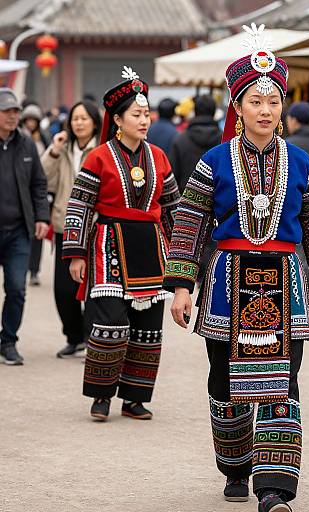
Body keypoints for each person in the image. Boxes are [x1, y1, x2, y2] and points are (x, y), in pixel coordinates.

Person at [165, 24, 309, 512]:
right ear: (237, 107)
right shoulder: (213, 161)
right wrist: (182, 287)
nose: (266, 111)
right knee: (225, 385)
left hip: (285, 285)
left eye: (273, 101)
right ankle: (235, 465)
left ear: (282, 107)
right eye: (255, 101)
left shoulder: (304, 162)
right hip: (228, 284)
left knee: (282, 384)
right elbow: (189, 224)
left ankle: (275, 488)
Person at [62, 67, 180, 421]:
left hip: (149, 247)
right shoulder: (97, 158)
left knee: (148, 328)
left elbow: (173, 207)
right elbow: (79, 204)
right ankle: (101, 395)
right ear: (117, 119)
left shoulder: (158, 156)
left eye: (147, 114)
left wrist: (183, 257)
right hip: (107, 245)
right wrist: (74, 253)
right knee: (110, 324)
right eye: (136, 114)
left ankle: (134, 397)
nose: (144, 120)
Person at [41, 100, 102, 358]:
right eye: (75, 118)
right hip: (64, 226)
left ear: (94, 122)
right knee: (63, 290)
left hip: (95, 227)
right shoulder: (63, 149)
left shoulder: (102, 149)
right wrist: (53, 151)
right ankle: (73, 336)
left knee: (92, 288)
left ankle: (91, 338)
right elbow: (44, 179)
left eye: (84, 118)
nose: (78, 123)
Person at [0, 88, 50, 365]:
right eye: (7, 111)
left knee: (17, 288)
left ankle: (8, 341)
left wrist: (41, 217)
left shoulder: (27, 145)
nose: (12, 116)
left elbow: (38, 184)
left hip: (18, 231)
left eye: (15, 111)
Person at [20, 103, 52, 287]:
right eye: (28, 120)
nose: (31, 124)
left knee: (38, 231)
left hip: (39, 189)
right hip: (21, 189)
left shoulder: (44, 138)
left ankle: (34, 270)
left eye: (34, 120)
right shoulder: (17, 138)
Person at [169, 94, 222, 194]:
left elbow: (173, 176)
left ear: (195, 111)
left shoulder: (180, 139)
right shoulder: (224, 140)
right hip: (217, 201)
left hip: (185, 200)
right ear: (214, 112)